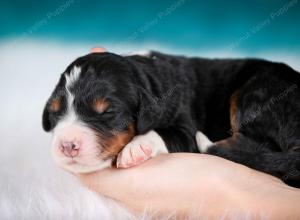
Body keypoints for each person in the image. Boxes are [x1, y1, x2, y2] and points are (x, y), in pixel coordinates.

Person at [78, 48, 300, 219]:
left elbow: (180, 131)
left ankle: (253, 147)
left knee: (264, 91)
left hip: (272, 86)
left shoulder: (165, 88)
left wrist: (150, 140)